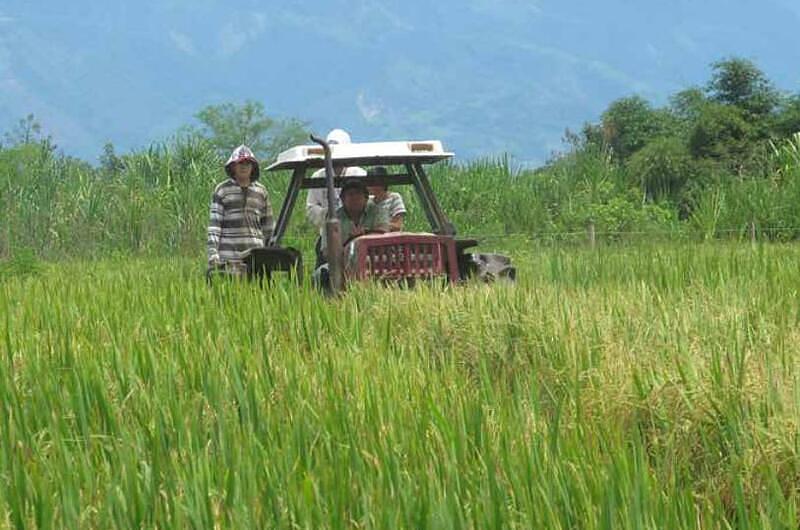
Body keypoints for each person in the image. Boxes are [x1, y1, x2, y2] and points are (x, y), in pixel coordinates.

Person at [207, 145, 273, 272]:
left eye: (248, 163)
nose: (244, 166)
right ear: (233, 166)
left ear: (253, 167)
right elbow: (215, 225)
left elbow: (268, 227)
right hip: (228, 258)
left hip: (256, 256)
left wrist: (270, 253)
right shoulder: (222, 190)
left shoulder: (261, 191)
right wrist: (213, 254)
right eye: (240, 163)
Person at [314, 178, 389, 288]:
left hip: (375, 261)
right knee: (322, 273)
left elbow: (385, 234)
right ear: (343, 200)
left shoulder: (378, 211)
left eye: (358, 194)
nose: (355, 198)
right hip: (342, 262)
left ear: (366, 198)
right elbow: (326, 251)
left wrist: (363, 235)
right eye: (350, 194)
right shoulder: (333, 218)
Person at [305, 128, 366, 229]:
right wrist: (329, 215)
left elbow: (369, 202)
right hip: (329, 233)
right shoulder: (318, 176)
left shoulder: (359, 173)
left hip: (358, 230)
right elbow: (311, 207)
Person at [367, 166, 406, 231]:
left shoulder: (394, 198)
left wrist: (380, 227)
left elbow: (398, 225)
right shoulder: (368, 201)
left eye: (372, 182)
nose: (369, 186)